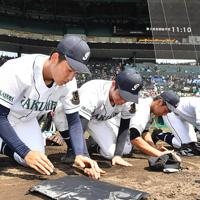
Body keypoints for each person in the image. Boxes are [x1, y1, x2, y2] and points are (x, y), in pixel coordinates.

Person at [0, 35, 103, 178]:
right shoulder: (17, 70)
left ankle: (3, 145)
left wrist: (80, 153)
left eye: (76, 72)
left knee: (36, 160)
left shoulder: (69, 83)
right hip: (3, 116)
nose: (71, 77)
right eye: (69, 69)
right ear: (54, 58)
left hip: (26, 120)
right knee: (27, 154)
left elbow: (74, 121)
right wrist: (25, 151)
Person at [53, 68, 143, 166]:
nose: (123, 101)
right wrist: (84, 156)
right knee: (59, 113)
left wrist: (117, 155)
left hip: (98, 120)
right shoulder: (93, 91)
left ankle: (91, 144)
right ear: (113, 84)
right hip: (77, 117)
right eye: (121, 95)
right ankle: (72, 148)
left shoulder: (129, 102)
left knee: (114, 153)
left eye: (128, 98)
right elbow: (79, 127)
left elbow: (124, 127)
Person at [127, 90, 180, 157]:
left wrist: (153, 147)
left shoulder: (151, 109)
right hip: (114, 129)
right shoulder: (143, 109)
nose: (165, 114)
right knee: (125, 150)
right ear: (160, 102)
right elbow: (134, 137)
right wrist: (159, 154)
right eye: (166, 110)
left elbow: (145, 132)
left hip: (122, 131)